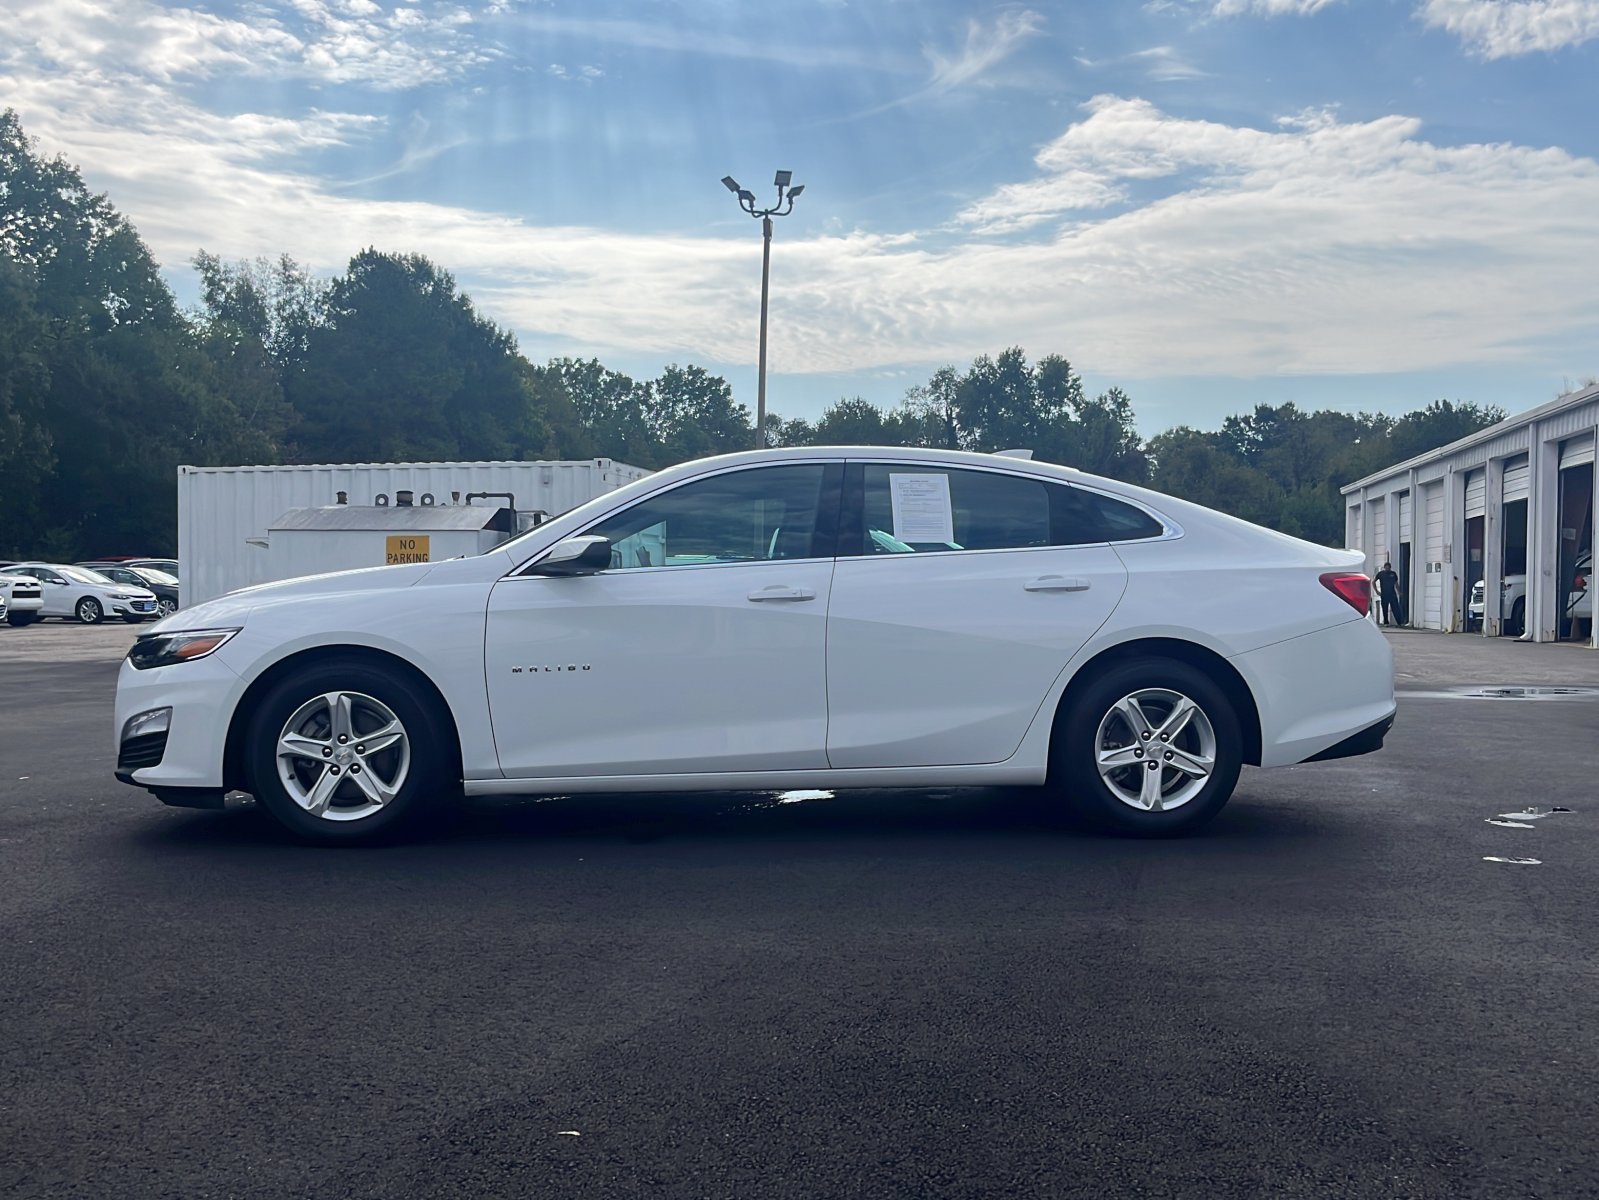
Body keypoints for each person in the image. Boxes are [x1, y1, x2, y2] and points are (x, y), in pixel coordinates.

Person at [1376, 561, 1401, 626]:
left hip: (1392, 594)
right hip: (1384, 594)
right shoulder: (1381, 574)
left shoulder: (1393, 574)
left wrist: (1399, 591)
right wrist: (1377, 591)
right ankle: (1386, 622)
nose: (1387, 569)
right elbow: (1373, 582)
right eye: (1386, 568)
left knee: (1395, 608)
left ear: (1390, 568)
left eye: (1388, 568)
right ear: (1384, 568)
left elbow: (1396, 584)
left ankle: (1399, 622)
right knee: (1385, 608)